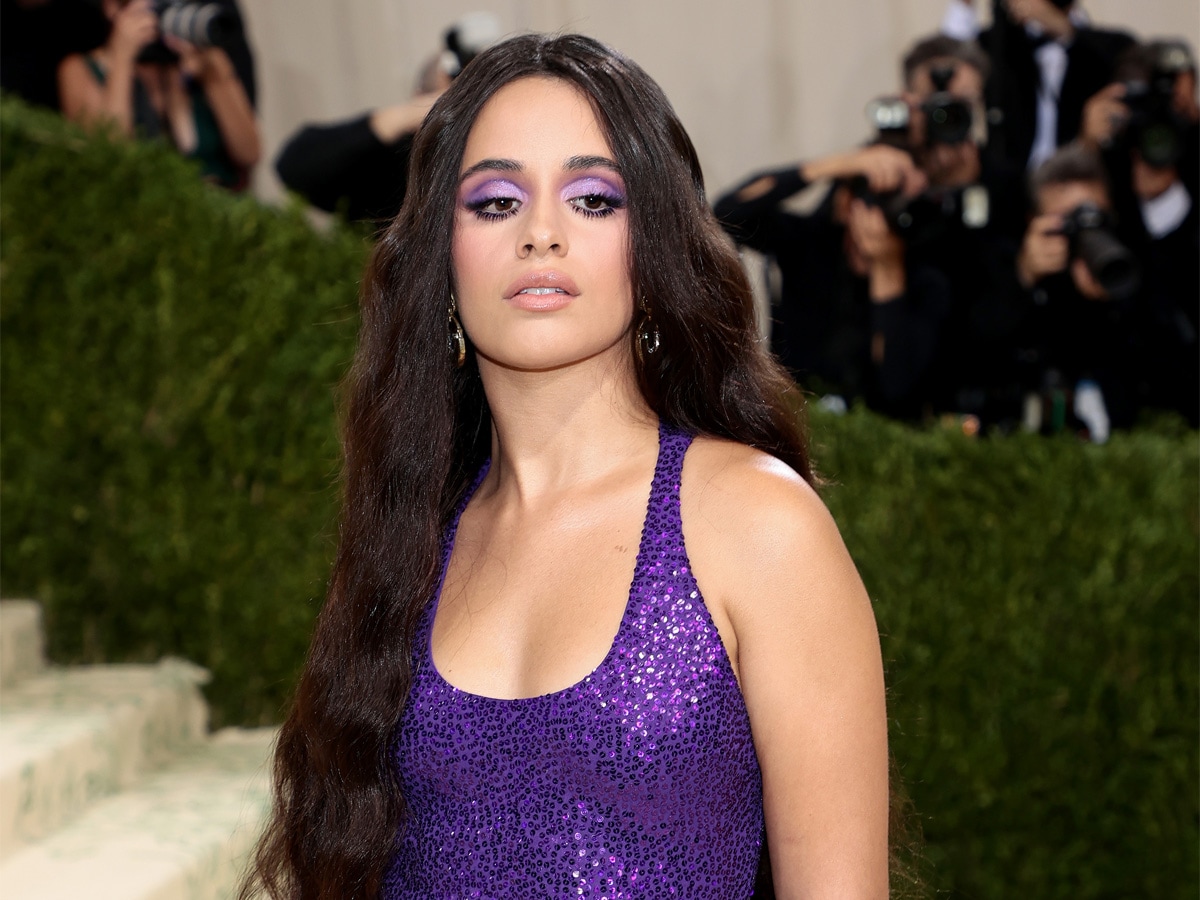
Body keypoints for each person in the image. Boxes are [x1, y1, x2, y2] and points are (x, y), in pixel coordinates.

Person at [242, 33, 889, 900]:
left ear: (653, 251)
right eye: (495, 202)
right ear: (441, 259)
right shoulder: (412, 535)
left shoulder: (758, 524)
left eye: (592, 200)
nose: (541, 233)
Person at [273, 12, 501, 223]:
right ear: (420, 100)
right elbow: (296, 168)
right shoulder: (398, 167)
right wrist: (413, 115)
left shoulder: (501, 161)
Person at [57, 0, 260, 190]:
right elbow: (109, 162)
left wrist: (213, 70)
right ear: (111, 7)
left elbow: (249, 153)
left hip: (216, 199)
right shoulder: (80, 69)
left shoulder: (199, 60)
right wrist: (122, 59)